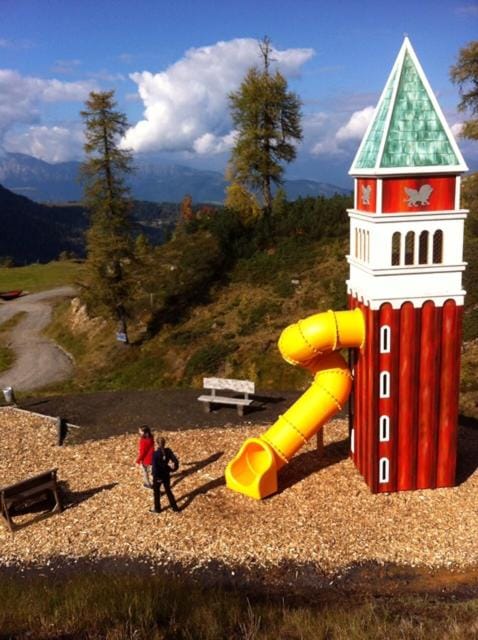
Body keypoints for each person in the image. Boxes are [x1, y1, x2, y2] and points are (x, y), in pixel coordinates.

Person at [150, 437, 180, 513]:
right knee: (168, 491)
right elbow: (175, 460)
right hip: (166, 474)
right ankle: (175, 507)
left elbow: (155, 467)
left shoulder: (155, 454)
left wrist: (156, 476)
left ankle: (157, 508)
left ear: (157, 444)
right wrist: (173, 469)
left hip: (158, 476)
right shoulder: (168, 451)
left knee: (156, 493)